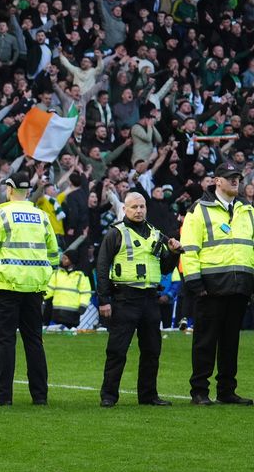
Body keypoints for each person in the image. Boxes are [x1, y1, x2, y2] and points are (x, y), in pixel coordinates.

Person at [0, 167, 59, 406]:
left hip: (6, 286)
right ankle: (40, 396)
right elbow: (54, 255)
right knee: (34, 341)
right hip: (34, 289)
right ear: (28, 191)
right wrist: (44, 279)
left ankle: (2, 395)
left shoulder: (0, 215)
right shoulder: (41, 217)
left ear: (9, 189)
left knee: (6, 341)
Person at [180, 159, 254, 406]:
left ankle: (226, 390)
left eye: (238, 178)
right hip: (209, 289)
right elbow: (189, 249)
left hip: (239, 287)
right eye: (231, 177)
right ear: (217, 181)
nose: (236, 180)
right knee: (205, 342)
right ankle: (199, 391)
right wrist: (195, 285)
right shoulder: (198, 210)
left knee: (231, 343)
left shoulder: (248, 210)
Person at [97, 192, 180, 407]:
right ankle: (109, 395)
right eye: (134, 207)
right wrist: (104, 299)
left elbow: (164, 268)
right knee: (117, 350)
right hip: (124, 298)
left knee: (152, 350)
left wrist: (173, 253)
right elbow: (103, 266)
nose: (139, 210)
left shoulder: (155, 234)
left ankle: (148, 396)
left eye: (142, 206)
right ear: (125, 209)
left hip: (150, 299)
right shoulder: (116, 233)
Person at [45, 253, 91, 328]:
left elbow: (85, 293)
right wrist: (40, 298)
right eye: (63, 258)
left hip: (73, 313)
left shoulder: (81, 276)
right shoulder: (56, 273)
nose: (63, 260)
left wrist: (83, 305)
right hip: (57, 311)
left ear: (72, 260)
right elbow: (49, 289)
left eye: (65, 258)